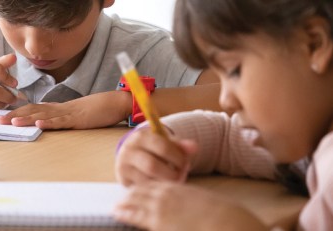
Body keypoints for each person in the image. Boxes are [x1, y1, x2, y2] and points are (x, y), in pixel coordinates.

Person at [114, 0, 333, 230]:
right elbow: (225, 136)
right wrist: (153, 142)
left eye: (234, 71)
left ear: (313, 43)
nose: (224, 100)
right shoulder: (304, 132)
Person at [0, 0, 220, 130]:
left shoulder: (142, 50)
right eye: (14, 20)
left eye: (62, 27)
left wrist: (126, 102)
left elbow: (245, 98)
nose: (34, 46)